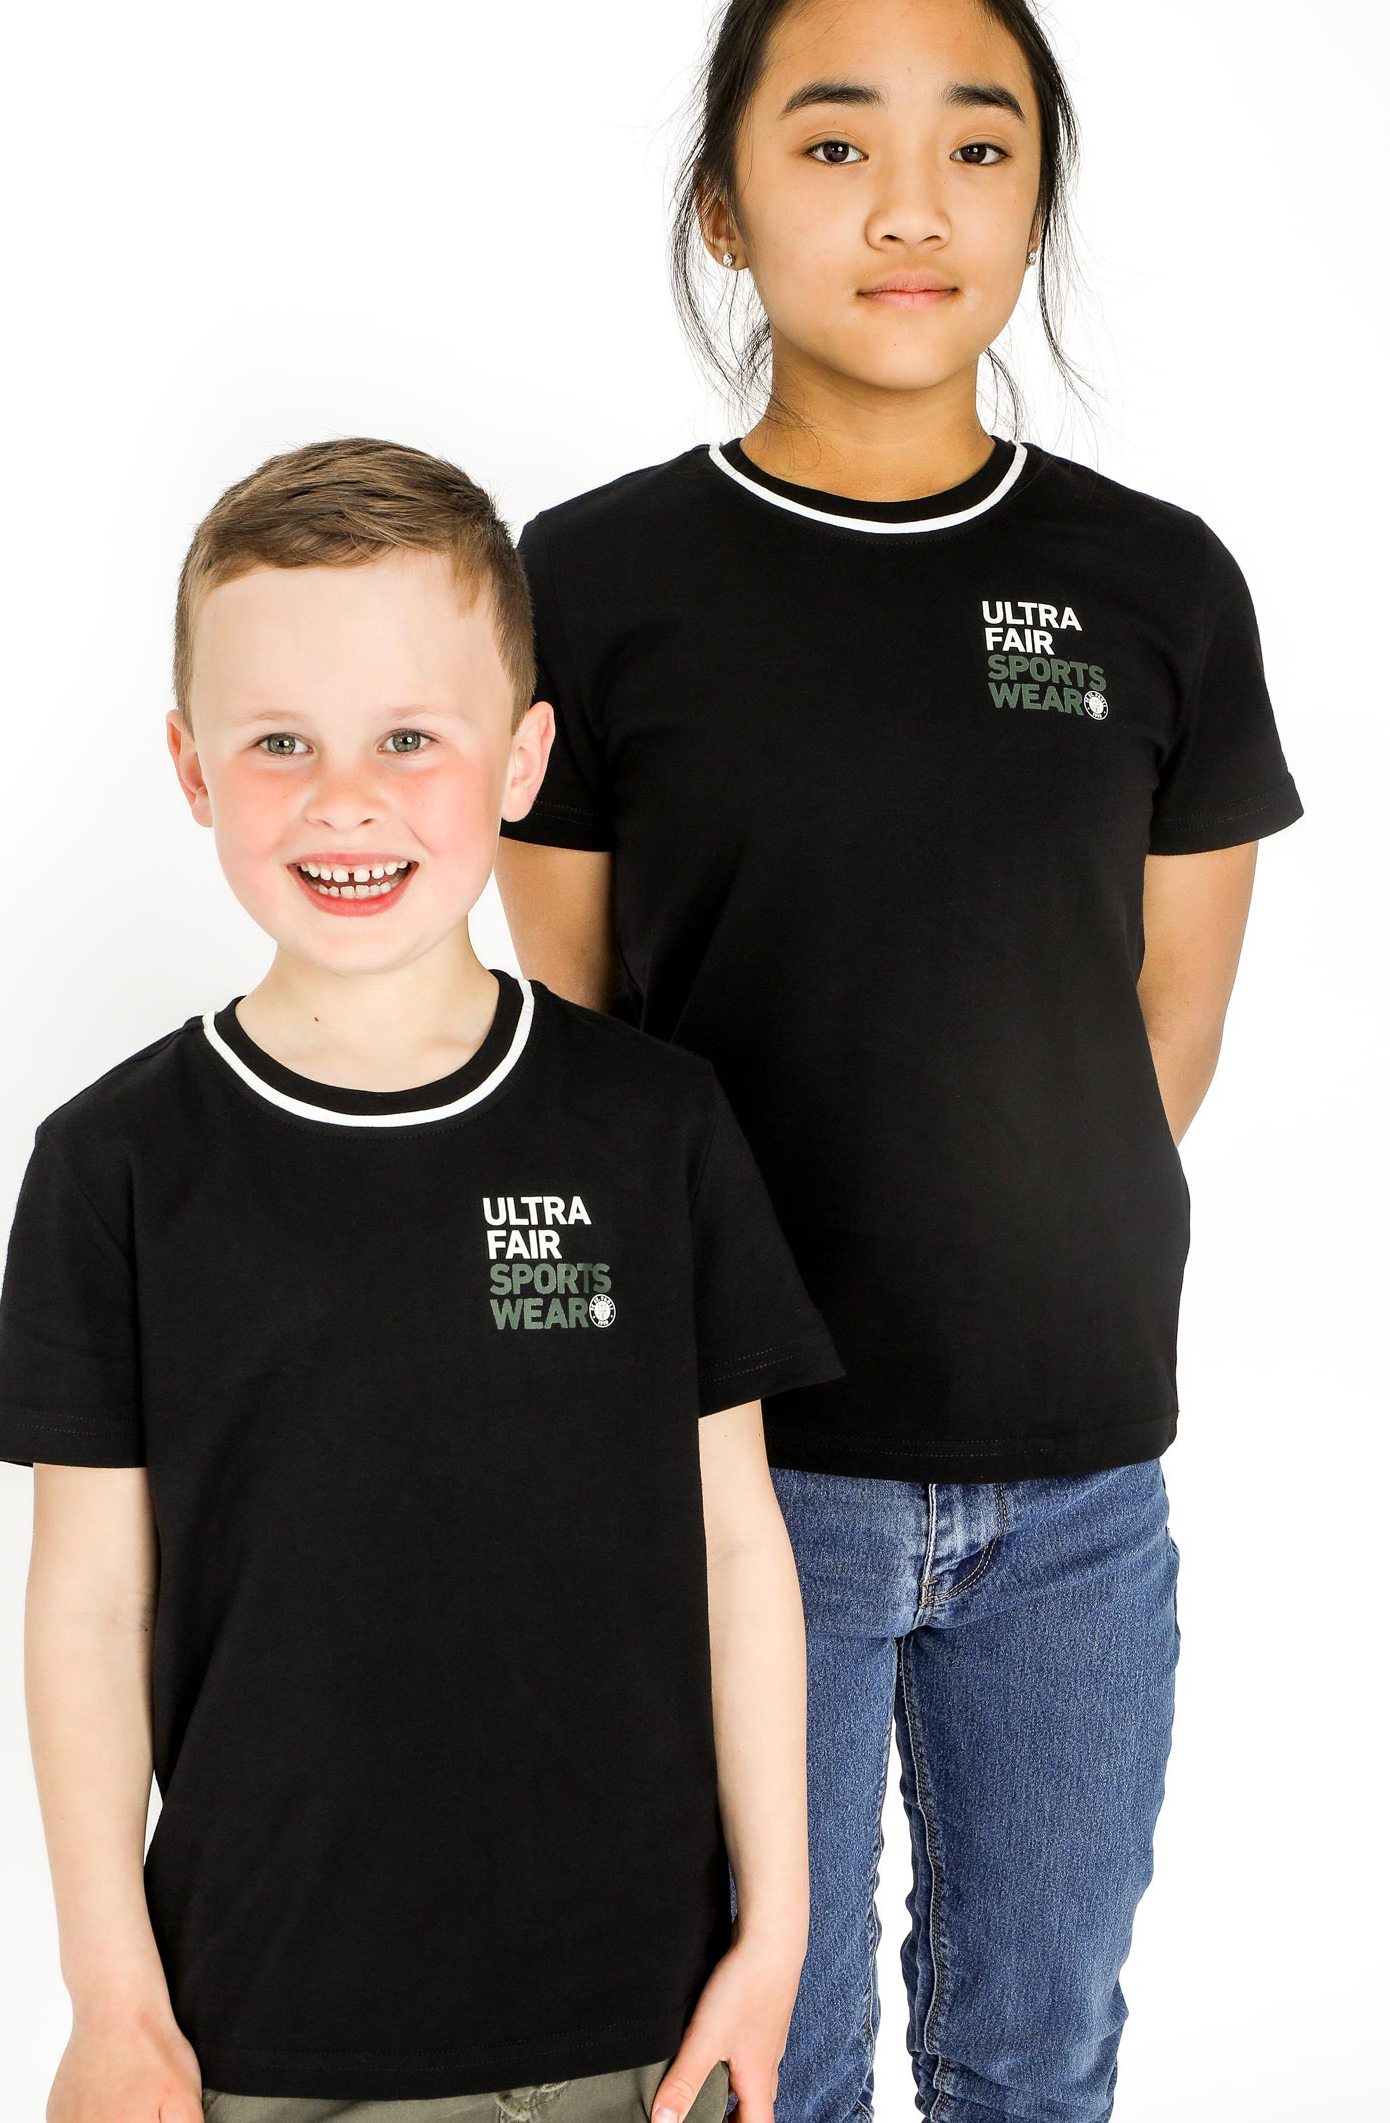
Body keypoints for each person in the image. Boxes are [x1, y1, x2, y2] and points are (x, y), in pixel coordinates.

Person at [493, 3, 1304, 2120]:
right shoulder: (591, 583)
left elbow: (1172, 1018)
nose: (914, 209)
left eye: (982, 148)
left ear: (1037, 199)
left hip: (1082, 1475)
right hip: (745, 1476)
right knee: (764, 2064)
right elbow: (581, 1034)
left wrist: (1011, 1237)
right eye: (837, 146)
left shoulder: (1158, 584)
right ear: (725, 209)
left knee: (1040, 2052)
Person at [0, 436, 846, 2123]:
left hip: (627, 2028)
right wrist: (112, 2001)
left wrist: (779, 1929)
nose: (344, 799)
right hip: (251, 2036)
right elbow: (86, 1606)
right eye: (280, 742)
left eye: (407, 739)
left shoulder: (655, 1127)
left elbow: (740, 1547)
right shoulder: (114, 1164)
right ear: (191, 765)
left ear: (523, 759)